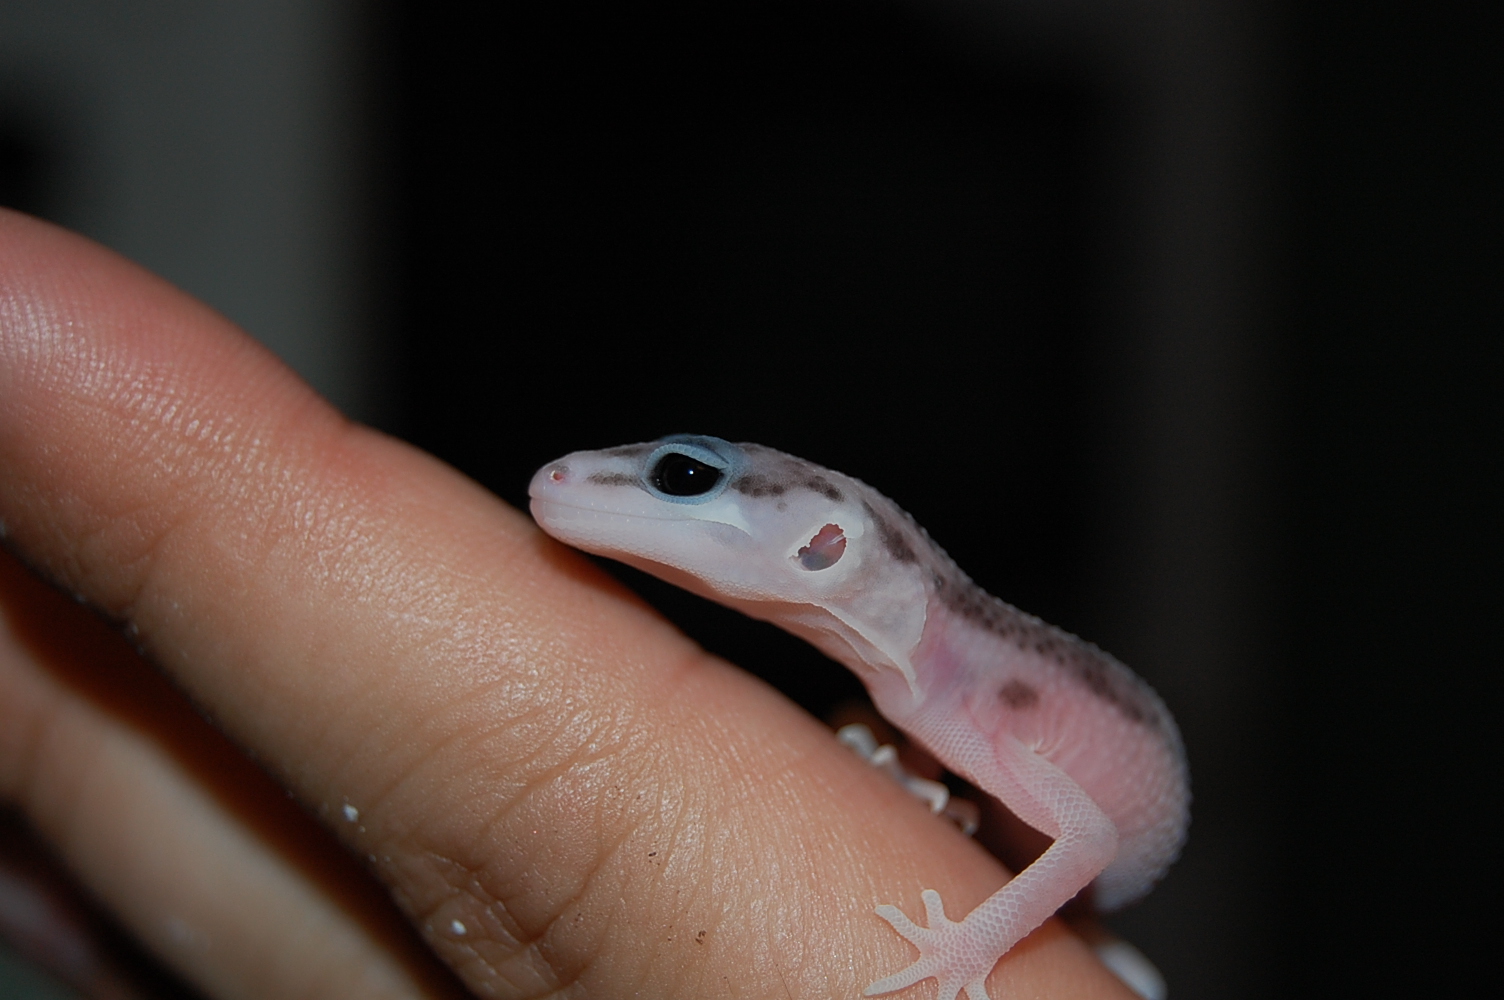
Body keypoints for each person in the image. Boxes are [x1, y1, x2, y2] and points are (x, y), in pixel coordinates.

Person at [0, 209, 1136, 998]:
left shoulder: (964, 691)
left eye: (681, 479)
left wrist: (970, 950)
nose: (587, 479)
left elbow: (1088, 834)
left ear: (824, 544)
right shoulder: (906, 688)